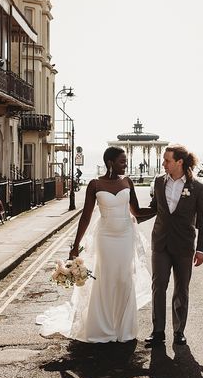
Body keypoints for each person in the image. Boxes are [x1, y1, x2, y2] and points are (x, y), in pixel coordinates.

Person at [36, 147, 151, 343]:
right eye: (122, 161)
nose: (125, 164)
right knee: (106, 278)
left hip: (125, 236)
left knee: (124, 278)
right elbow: (86, 217)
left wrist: (160, 209)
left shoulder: (127, 182)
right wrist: (75, 245)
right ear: (110, 163)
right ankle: (104, 329)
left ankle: (123, 328)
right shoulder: (95, 184)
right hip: (105, 237)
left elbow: (137, 212)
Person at [142, 144, 203, 346]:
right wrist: (129, 217)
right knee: (159, 286)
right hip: (161, 243)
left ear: (179, 162)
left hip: (184, 246)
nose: (163, 163)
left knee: (181, 289)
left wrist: (201, 249)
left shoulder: (198, 187)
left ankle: (179, 331)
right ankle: (158, 331)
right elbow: (154, 208)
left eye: (167, 160)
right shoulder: (158, 182)